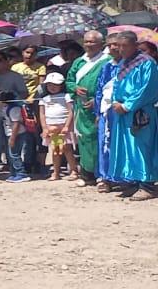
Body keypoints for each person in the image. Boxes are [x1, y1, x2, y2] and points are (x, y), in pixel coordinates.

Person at [97, 30, 158, 200]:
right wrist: (115, 102)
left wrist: (127, 105)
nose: (121, 49)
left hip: (140, 112)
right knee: (126, 147)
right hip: (121, 112)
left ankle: (148, 185)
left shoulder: (147, 63)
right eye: (119, 46)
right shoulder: (124, 63)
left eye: (125, 46)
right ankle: (133, 182)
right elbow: (116, 86)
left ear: (135, 45)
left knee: (141, 147)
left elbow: (147, 89)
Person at [66, 30, 109, 188]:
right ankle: (86, 174)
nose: (89, 45)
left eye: (92, 42)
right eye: (86, 42)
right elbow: (69, 80)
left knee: (99, 139)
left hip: (98, 107)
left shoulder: (107, 61)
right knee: (83, 139)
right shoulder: (79, 61)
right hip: (81, 108)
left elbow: (110, 84)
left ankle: (102, 175)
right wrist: (75, 88)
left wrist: (97, 101)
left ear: (100, 43)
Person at [0, 51, 28, 179]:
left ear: (7, 60)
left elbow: (24, 93)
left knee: (11, 142)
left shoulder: (16, 76)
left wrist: (10, 95)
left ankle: (13, 169)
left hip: (10, 113)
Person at [39, 73, 76, 182]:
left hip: (64, 127)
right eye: (50, 85)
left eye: (55, 84)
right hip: (52, 128)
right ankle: (56, 172)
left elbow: (71, 111)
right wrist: (44, 128)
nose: (52, 87)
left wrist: (67, 126)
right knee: (55, 150)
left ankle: (73, 170)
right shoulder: (44, 99)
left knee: (67, 149)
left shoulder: (66, 96)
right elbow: (42, 114)